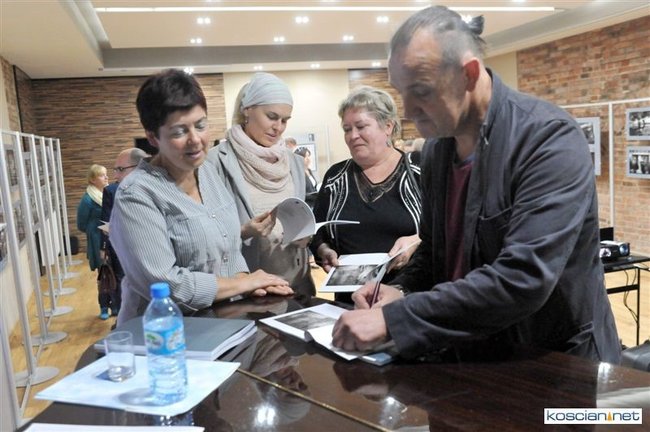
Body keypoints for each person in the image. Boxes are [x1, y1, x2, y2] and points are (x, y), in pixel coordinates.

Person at [332, 6, 621, 364]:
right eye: (402, 92)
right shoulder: (437, 149)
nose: (408, 110)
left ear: (468, 74)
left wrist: (396, 319)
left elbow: (523, 278)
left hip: (555, 363)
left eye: (421, 91)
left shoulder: (548, 140)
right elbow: (434, 251)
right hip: (471, 356)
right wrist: (401, 290)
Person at [110, 69, 293, 325]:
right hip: (164, 334)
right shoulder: (137, 195)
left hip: (222, 322)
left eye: (200, 125)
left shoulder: (207, 172)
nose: (195, 140)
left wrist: (248, 282)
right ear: (153, 137)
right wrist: (243, 283)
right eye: (179, 132)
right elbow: (167, 285)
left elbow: (229, 248)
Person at [310, 86, 422, 303]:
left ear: (387, 126)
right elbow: (317, 231)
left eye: (361, 127)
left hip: (409, 298)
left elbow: (447, 229)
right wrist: (324, 251)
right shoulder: (335, 177)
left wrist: (417, 239)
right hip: (351, 302)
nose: (353, 136)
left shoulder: (420, 169)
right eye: (347, 129)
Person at [207, 72, 315, 297]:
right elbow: (204, 236)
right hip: (249, 292)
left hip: (297, 285)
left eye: (285, 120)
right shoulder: (216, 162)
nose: (278, 127)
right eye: (272, 116)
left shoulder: (294, 162)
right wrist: (243, 232)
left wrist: (306, 234)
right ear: (247, 110)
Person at [99, 147, 149, 318]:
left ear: (139, 167)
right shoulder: (112, 191)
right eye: (115, 170)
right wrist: (104, 246)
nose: (115, 175)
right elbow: (106, 222)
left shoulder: (162, 189)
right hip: (121, 250)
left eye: (120, 169)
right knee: (123, 282)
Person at [76, 164, 109, 319]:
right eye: (102, 175)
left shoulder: (109, 193)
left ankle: (115, 305)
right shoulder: (88, 199)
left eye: (106, 174)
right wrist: (97, 228)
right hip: (98, 241)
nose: (106, 177)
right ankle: (104, 307)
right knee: (103, 274)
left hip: (112, 239)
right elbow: (81, 224)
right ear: (93, 179)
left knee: (116, 272)